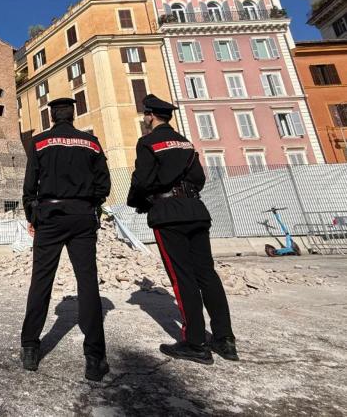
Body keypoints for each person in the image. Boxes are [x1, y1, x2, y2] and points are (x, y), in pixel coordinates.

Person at [127, 94, 238, 364]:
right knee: (207, 275)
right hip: (196, 211)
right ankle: (224, 339)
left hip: (168, 215)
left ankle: (195, 342)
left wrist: (138, 202)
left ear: (150, 116)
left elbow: (142, 181)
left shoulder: (148, 142)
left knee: (182, 278)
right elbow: (199, 178)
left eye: (146, 115)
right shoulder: (186, 143)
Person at [21, 97, 111, 381]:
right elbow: (104, 184)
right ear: (72, 115)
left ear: (51, 116)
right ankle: (95, 358)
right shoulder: (92, 142)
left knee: (41, 280)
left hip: (49, 215)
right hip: (82, 216)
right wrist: (91, 206)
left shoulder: (39, 142)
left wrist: (32, 217)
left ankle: (30, 348)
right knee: (88, 282)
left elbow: (29, 186)